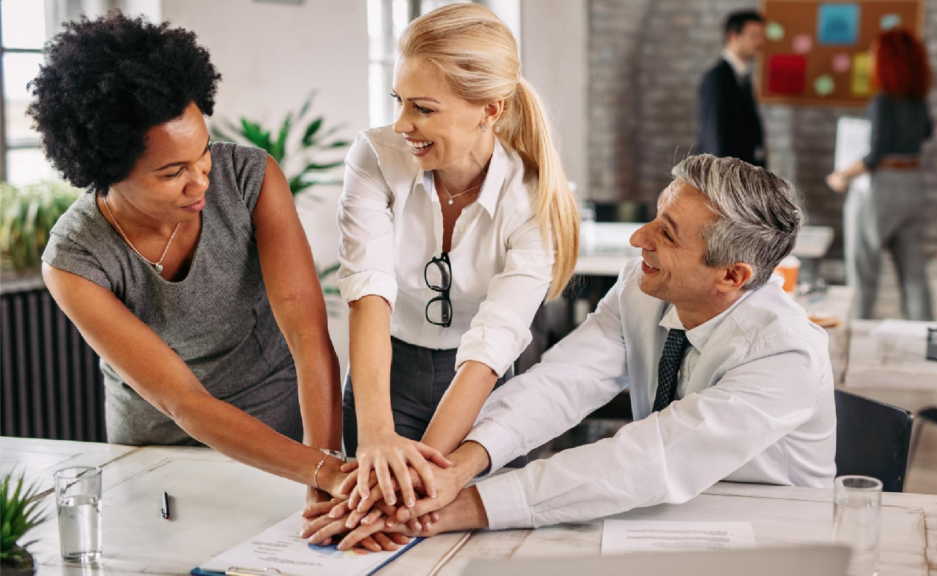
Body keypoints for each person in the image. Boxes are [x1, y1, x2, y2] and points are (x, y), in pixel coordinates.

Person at [301, 154, 837, 546]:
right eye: (655, 216)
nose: (638, 238)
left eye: (668, 234)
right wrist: (457, 468)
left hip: (775, 535)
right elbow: (563, 382)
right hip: (658, 519)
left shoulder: (784, 354)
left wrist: (456, 508)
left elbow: (652, 456)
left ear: (732, 276)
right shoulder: (642, 287)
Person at [30, 12, 375, 542]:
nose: (200, 182)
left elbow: (308, 337)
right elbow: (183, 401)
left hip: (283, 435)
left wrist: (322, 462)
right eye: (172, 172)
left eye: (203, 154)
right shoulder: (74, 259)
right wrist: (324, 471)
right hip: (156, 455)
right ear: (108, 170)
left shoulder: (250, 178)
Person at [337, 2, 579, 515]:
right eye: (399, 101)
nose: (401, 124)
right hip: (387, 373)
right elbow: (368, 290)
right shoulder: (375, 157)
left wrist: (423, 476)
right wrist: (376, 433)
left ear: (490, 110)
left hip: (480, 386)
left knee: (451, 523)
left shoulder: (530, 201)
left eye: (423, 109)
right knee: (374, 519)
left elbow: (493, 345)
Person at [827, 29, 934, 321]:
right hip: (913, 184)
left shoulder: (882, 101)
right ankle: (923, 333)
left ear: (887, 59)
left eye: (874, 53)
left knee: (862, 272)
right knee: (914, 274)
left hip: (880, 189)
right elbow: (926, 133)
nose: (870, 57)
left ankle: (857, 334)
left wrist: (841, 175)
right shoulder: (919, 100)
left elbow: (875, 155)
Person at [695, 10, 768, 168]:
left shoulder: (742, 76)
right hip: (725, 176)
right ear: (732, 36)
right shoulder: (717, 78)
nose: (760, 41)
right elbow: (714, 136)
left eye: (761, 35)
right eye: (753, 36)